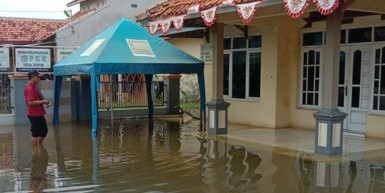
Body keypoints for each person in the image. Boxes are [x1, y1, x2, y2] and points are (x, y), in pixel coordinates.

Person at [24, 70, 50, 147]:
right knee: (35, 133)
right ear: (33, 77)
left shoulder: (34, 87)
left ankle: (40, 146)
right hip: (34, 114)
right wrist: (43, 101)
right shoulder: (29, 88)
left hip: (39, 113)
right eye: (38, 77)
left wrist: (44, 101)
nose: (39, 79)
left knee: (44, 131)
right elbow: (30, 103)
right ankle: (35, 151)